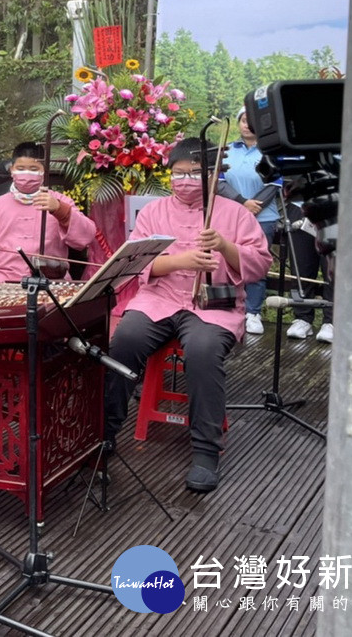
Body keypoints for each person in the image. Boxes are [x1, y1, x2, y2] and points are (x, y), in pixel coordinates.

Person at [103, 138, 273, 493]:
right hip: (159, 299)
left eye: (195, 173)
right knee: (125, 339)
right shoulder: (154, 211)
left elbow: (259, 266)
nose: (185, 180)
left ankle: (206, 452)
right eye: (178, 174)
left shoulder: (236, 213)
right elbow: (136, 263)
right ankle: (105, 431)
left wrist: (226, 247)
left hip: (213, 306)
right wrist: (180, 261)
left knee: (203, 350)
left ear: (214, 175)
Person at [0, 142, 95, 284]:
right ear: (11, 170)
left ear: (44, 170)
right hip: (2, 276)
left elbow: (86, 236)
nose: (26, 174)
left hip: (49, 278)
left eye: (33, 169)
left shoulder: (59, 201)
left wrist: (60, 210)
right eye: (20, 168)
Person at [218, 108, 280, 335]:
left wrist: (252, 206)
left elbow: (275, 184)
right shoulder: (227, 151)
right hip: (230, 216)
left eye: (251, 121)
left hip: (263, 218)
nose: (247, 125)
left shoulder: (271, 152)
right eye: (243, 121)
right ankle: (228, 308)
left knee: (256, 264)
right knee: (228, 261)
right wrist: (242, 203)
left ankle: (253, 313)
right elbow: (219, 181)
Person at [284, 188, 335, 343]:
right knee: (300, 267)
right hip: (299, 205)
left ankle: (331, 321)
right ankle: (302, 317)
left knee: (331, 269)